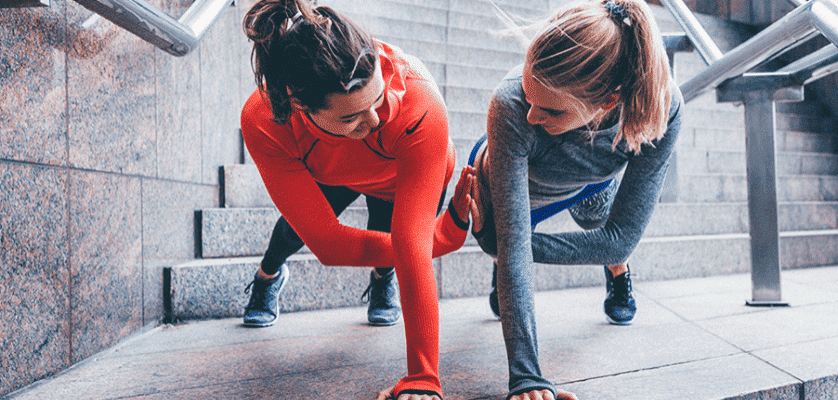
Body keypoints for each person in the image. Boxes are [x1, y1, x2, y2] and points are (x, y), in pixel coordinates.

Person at [240, 1, 477, 398]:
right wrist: (444, 240)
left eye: (377, 98)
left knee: (399, 245)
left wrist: (423, 379)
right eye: (351, 116)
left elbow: (411, 246)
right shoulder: (265, 119)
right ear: (299, 105)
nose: (374, 119)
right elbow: (330, 245)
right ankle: (267, 276)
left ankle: (382, 279)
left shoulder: (419, 102)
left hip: (403, 168)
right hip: (332, 166)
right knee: (289, 235)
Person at [468, 0, 683, 398]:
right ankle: (507, 271)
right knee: (505, 247)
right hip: (516, 178)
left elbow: (619, 237)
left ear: (608, 103)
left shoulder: (661, 108)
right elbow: (513, 244)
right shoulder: (513, 106)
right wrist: (527, 377)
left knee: (584, 232)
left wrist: (506, 245)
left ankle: (617, 275)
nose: (532, 115)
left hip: (591, 183)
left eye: (549, 109)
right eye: (530, 94)